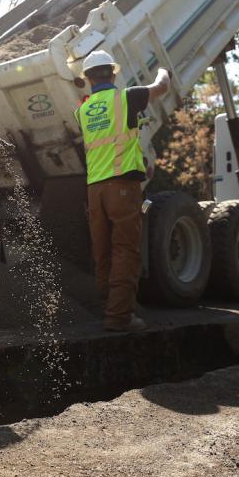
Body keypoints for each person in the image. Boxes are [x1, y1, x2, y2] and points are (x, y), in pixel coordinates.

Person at [74, 49, 170, 332]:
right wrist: (164, 68)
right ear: (113, 73)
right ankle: (119, 317)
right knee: (125, 250)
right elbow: (161, 87)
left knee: (101, 252)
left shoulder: (81, 110)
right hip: (122, 188)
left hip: (95, 191)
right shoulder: (126, 97)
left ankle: (108, 308)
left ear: (88, 79)